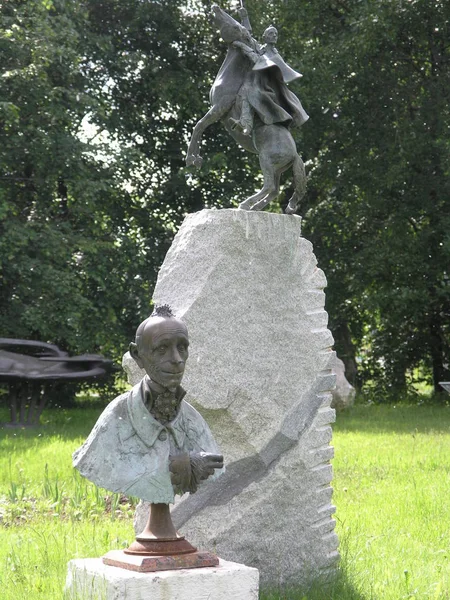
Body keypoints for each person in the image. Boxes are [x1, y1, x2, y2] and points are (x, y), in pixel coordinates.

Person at [73, 305, 223, 504]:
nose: (177, 359)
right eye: (162, 348)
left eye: (182, 347)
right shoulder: (117, 415)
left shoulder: (192, 419)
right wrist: (176, 468)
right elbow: (106, 466)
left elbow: (216, 467)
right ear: (137, 355)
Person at [228, 8, 309, 136]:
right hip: (256, 80)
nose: (274, 36)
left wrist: (242, 47)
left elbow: (257, 60)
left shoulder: (275, 55)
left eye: (276, 34)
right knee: (245, 87)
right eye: (271, 33)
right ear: (264, 37)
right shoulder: (260, 48)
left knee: (248, 91)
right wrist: (245, 17)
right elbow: (247, 35)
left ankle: (246, 124)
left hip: (266, 86)